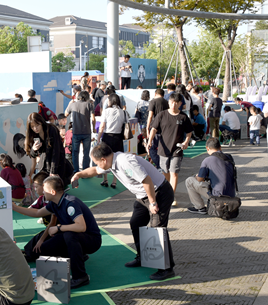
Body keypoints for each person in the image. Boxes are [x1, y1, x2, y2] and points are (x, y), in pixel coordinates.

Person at [72, 143, 176, 281]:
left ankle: (167, 269)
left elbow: (147, 180)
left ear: (103, 159)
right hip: (142, 196)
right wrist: (78, 174)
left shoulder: (125, 162)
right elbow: (95, 171)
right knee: (136, 223)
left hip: (158, 192)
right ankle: (142, 257)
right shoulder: (111, 162)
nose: (97, 165)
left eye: (97, 162)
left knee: (157, 228)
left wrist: (153, 203)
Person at [13, 176, 102, 288]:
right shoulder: (55, 203)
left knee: (69, 235)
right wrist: (15, 207)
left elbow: (81, 227)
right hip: (74, 235)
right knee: (45, 248)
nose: (42, 191)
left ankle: (80, 276)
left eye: (44, 189)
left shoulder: (70, 203)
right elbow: (37, 213)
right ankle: (75, 257)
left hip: (92, 240)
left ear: (52, 192)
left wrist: (58, 228)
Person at [147, 93, 194, 206]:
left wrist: (186, 141)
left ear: (180, 104)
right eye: (172, 102)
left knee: (174, 173)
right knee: (165, 172)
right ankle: (168, 192)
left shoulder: (183, 117)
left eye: (176, 103)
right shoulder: (162, 115)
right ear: (168, 102)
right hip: (163, 149)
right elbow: (154, 129)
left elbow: (189, 131)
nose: (174, 105)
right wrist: (150, 140)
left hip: (177, 149)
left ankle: (171, 196)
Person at [185, 138, 236, 214]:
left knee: (189, 181)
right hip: (231, 195)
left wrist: (197, 176)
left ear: (207, 148)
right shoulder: (229, 157)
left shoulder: (208, 160)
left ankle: (200, 208)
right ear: (220, 147)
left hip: (217, 196)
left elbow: (199, 179)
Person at [24, 112, 73, 187]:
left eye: (37, 125)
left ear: (41, 122)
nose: (35, 128)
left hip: (58, 163)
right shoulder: (33, 134)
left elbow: (56, 151)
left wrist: (53, 171)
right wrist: (34, 150)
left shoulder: (51, 129)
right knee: (45, 188)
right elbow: (32, 154)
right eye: (32, 126)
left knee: (58, 187)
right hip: (44, 164)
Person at [98, 93, 124, 188]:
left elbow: (102, 126)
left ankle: (105, 179)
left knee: (104, 158)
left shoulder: (106, 111)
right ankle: (114, 182)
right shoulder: (122, 112)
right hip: (118, 138)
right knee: (116, 160)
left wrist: (98, 138)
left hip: (107, 137)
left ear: (111, 101)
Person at [65, 90, 95, 173]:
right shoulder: (89, 105)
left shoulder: (73, 105)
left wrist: (69, 104)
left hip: (76, 132)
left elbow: (65, 114)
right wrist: (94, 128)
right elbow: (93, 119)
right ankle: (85, 170)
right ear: (86, 97)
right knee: (86, 152)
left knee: (75, 153)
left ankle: (76, 170)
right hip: (87, 132)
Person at [147, 88, 169, 168]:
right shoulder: (167, 102)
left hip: (155, 127)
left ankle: (159, 165)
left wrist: (147, 128)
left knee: (152, 147)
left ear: (155, 94)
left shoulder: (153, 101)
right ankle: (163, 165)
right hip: (165, 127)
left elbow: (150, 116)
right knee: (163, 147)